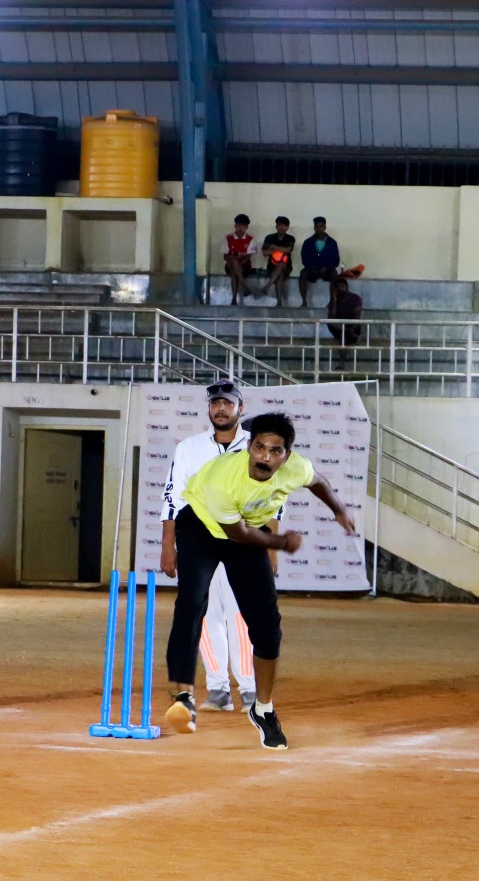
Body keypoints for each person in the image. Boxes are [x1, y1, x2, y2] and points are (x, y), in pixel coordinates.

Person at [164, 412, 357, 750]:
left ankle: (264, 709)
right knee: (192, 603)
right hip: (202, 528)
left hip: (250, 530)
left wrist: (339, 510)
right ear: (249, 447)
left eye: (274, 451)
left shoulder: (296, 467)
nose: (265, 457)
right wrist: (281, 543)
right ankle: (183, 696)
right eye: (259, 448)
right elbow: (236, 533)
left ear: (287, 456)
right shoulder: (225, 478)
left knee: (267, 626)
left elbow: (318, 482)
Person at [159, 381, 258, 715]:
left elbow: (272, 498)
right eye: (215, 403)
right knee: (204, 616)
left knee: (241, 615)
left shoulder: (255, 447)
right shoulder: (189, 447)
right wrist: (167, 546)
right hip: (198, 542)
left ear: (240, 409)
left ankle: (249, 689)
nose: (220, 408)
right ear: (209, 408)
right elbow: (173, 497)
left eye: (227, 404)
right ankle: (218, 689)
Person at [298, 216, 341, 308]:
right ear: (314, 227)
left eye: (321, 226)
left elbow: (336, 260)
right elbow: (304, 258)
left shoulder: (332, 243)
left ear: (325, 227)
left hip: (327, 271)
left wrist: (326, 267)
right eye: (317, 226)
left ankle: (332, 301)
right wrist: (311, 267)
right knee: (303, 273)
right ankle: (304, 301)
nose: (319, 229)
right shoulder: (308, 242)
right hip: (312, 270)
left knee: (334, 273)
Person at [260, 216, 297, 307]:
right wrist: (280, 250)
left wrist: (273, 247)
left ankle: (267, 286)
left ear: (287, 227)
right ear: (276, 226)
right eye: (279, 225)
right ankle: (279, 302)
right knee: (279, 275)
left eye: (284, 226)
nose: (281, 228)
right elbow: (265, 252)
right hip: (272, 265)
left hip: (287, 265)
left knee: (281, 264)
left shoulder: (290, 238)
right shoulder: (269, 237)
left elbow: (288, 250)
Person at [326, 277, 363, 366]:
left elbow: (357, 317)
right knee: (332, 324)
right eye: (338, 287)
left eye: (342, 286)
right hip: (339, 328)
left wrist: (351, 330)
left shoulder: (355, 298)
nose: (340, 288)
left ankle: (341, 363)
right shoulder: (333, 301)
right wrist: (334, 300)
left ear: (347, 287)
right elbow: (331, 317)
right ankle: (351, 336)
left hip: (353, 327)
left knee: (343, 336)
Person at [223, 214, 257, 306]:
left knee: (234, 268)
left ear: (247, 227)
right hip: (229, 266)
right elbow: (225, 257)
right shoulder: (228, 238)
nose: (240, 228)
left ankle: (234, 299)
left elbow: (248, 257)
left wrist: (237, 264)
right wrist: (234, 261)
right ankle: (244, 287)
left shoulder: (251, 239)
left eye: (243, 226)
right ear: (235, 226)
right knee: (233, 262)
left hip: (245, 266)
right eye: (238, 226)